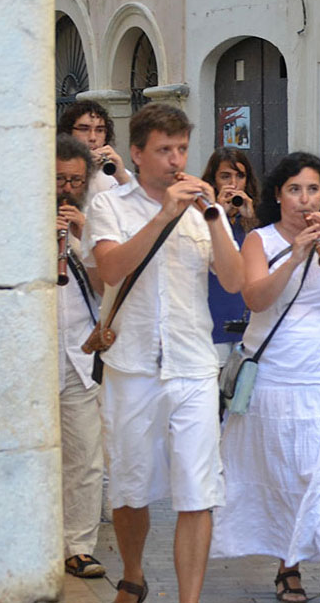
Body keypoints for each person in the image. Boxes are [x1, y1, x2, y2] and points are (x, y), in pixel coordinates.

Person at [82, 103, 244, 603]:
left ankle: (188, 599)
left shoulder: (202, 213)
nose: (176, 160)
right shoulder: (111, 205)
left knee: (198, 491)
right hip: (131, 366)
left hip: (193, 365)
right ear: (137, 152)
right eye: (164, 150)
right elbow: (111, 269)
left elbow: (235, 281)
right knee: (129, 488)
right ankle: (133, 574)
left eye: (181, 149)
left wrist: (214, 217)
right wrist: (164, 214)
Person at [211, 152, 320, 603]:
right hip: (276, 382)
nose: (304, 199)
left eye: (313, 189)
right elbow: (255, 298)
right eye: (295, 190)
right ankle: (289, 566)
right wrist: (294, 257)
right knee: (287, 479)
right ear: (278, 195)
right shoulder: (259, 240)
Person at [56, 134, 107, 579]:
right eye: (59, 179)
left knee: (86, 456)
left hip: (76, 355)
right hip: (29, 358)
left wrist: (80, 236)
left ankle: (79, 546)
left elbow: (104, 287)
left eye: (75, 180)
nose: (66, 188)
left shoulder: (88, 227)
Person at [200, 147, 260, 365]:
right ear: (214, 180)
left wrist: (251, 221)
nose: (233, 184)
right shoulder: (201, 216)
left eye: (240, 176)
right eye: (226, 176)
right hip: (214, 322)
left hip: (249, 323)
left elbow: (262, 264)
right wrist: (218, 215)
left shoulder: (257, 218)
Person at [58, 100, 133, 197]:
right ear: (68, 133)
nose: (93, 138)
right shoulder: (53, 171)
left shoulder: (119, 173)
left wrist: (122, 177)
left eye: (99, 130)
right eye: (84, 129)